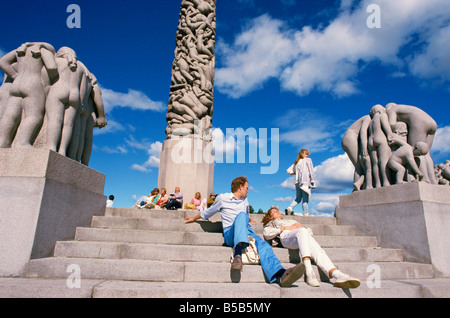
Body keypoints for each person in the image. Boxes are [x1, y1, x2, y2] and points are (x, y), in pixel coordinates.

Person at [184, 176, 306, 288]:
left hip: (247, 231)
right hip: (230, 232)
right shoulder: (222, 198)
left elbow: (246, 215)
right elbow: (208, 212)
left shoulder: (245, 200)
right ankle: (237, 253)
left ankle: (281, 274)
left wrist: (250, 219)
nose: (248, 190)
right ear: (240, 187)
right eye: (247, 188)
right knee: (241, 216)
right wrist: (194, 218)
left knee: (264, 245)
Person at [262, 207, 361, 289]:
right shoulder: (271, 224)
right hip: (286, 237)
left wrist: (302, 227)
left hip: (301, 236)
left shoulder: (291, 220)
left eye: (277, 210)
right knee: (302, 232)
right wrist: (284, 228)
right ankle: (309, 272)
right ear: (270, 217)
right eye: (274, 211)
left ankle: (337, 274)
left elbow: (309, 231)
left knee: (317, 249)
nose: (277, 211)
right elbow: (266, 233)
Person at [285, 149, 316, 216]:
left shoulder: (296, 162)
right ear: (302, 154)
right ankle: (305, 213)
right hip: (304, 182)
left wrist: (294, 172)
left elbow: (288, 170)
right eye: (306, 154)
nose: (307, 156)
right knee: (305, 199)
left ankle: (290, 207)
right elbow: (311, 171)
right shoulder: (306, 161)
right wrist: (312, 181)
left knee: (298, 198)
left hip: (297, 182)